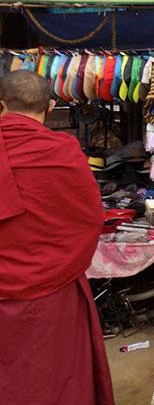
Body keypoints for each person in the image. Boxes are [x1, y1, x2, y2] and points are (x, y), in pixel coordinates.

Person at [0, 71, 114, 404]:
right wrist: (60, 264)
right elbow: (90, 221)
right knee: (58, 383)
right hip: (54, 297)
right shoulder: (62, 152)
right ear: (50, 107)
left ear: (2, 105)